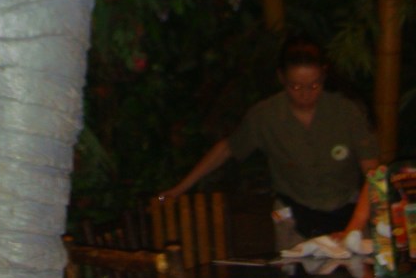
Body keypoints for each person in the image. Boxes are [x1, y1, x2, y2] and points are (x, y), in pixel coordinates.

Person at [162, 35, 379, 248]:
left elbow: (373, 174)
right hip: (294, 216)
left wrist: (354, 227)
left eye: (314, 86)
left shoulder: (347, 111)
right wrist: (180, 188)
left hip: (348, 212)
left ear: (324, 75)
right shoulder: (265, 115)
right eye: (296, 87)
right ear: (282, 78)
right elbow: (228, 148)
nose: (305, 94)